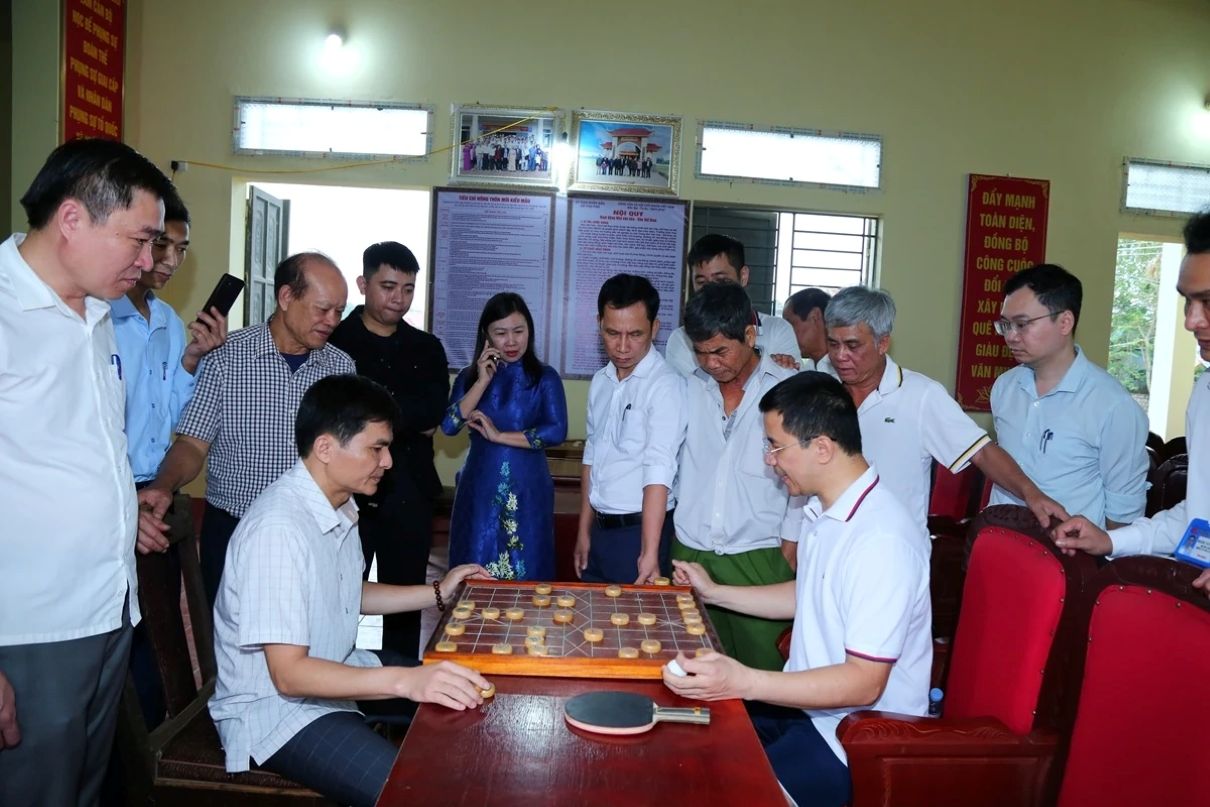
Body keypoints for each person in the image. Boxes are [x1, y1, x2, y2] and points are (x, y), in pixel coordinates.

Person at [209, 374, 492, 807]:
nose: (388, 462)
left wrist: (439, 591)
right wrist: (406, 682)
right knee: (414, 792)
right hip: (277, 710)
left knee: (465, 697)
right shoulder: (279, 530)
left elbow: (346, 593)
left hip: (332, 667)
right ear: (326, 448)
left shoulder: (337, 503)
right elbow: (289, 674)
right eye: (376, 448)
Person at [663, 372, 932, 807]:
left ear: (822, 448)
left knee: (718, 791)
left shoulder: (882, 539)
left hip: (854, 737)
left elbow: (864, 683)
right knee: (685, 746)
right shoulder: (828, 512)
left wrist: (745, 679)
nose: (769, 460)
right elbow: (807, 594)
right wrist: (713, 593)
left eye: (775, 446)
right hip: (805, 710)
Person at [0, 138, 174, 806]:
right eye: (139, 240)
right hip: (29, 628)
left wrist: (121, 513)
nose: (149, 260)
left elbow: (72, 456)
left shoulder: (98, 313)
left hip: (105, 612)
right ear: (72, 220)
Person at [137, 252, 356, 607]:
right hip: (234, 529)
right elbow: (193, 444)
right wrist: (163, 486)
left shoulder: (341, 368)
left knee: (306, 640)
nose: (332, 321)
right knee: (228, 647)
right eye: (322, 309)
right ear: (286, 297)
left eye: (339, 312)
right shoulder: (227, 357)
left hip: (313, 530)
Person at [111, 188, 229, 730]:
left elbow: (173, 417)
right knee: (111, 633)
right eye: (162, 246)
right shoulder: (100, 319)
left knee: (155, 632)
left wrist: (190, 361)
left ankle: (149, 746)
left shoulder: (168, 323)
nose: (170, 262)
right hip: (112, 496)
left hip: (156, 492)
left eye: (181, 249)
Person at [823, 286, 1067, 532]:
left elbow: (981, 452)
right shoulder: (818, 390)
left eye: (853, 346)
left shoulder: (920, 396)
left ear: (883, 342)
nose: (840, 355)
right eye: (833, 344)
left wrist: (1031, 493)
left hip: (889, 552)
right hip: (824, 543)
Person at [1055, 209, 1210, 597]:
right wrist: (1111, 541)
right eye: (1187, 303)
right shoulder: (1205, 395)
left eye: (1208, 302)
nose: (1192, 321)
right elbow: (1198, 520)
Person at [672, 282, 802, 671]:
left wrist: (789, 552)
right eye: (700, 352)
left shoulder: (787, 389)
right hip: (691, 553)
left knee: (765, 682)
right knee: (693, 673)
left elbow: (801, 478)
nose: (710, 363)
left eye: (720, 351)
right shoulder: (686, 389)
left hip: (760, 558)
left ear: (749, 335)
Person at [329, 241, 449, 658]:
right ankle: (337, 682)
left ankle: (400, 699)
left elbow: (433, 413)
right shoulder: (336, 342)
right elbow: (335, 416)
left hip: (409, 489)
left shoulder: (426, 347)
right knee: (340, 594)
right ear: (363, 284)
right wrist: (404, 415)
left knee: (406, 598)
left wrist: (372, 413)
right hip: (346, 495)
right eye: (388, 286)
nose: (398, 298)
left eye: (408, 289)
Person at [990, 263, 1148, 527]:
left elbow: (1124, 513)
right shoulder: (1005, 388)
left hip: (1068, 557)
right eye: (1005, 325)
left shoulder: (1111, 405)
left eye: (1022, 324)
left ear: (1065, 322)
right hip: (1000, 542)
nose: (1011, 337)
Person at [441, 293, 568, 580]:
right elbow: (449, 426)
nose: (511, 341)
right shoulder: (468, 377)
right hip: (480, 487)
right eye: (501, 333)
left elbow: (556, 431)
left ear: (529, 331)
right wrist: (482, 380)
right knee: (475, 566)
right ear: (486, 335)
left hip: (528, 489)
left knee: (528, 567)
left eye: (518, 331)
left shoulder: (544, 378)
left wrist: (499, 436)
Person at [575, 273, 687, 584]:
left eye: (635, 334)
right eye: (612, 333)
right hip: (599, 531)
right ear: (599, 324)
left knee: (635, 631)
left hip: (639, 535)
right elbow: (591, 458)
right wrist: (584, 530)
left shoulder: (665, 386)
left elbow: (658, 472)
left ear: (655, 327)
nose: (623, 346)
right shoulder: (601, 381)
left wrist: (649, 551)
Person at [665, 234, 801, 375]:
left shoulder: (777, 331)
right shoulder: (681, 339)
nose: (711, 290)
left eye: (721, 280)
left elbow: (791, 390)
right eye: (701, 283)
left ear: (743, 276)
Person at [783, 287, 834, 374]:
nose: (785, 334)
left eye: (789, 325)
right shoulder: (804, 370)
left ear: (814, 316)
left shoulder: (846, 372)